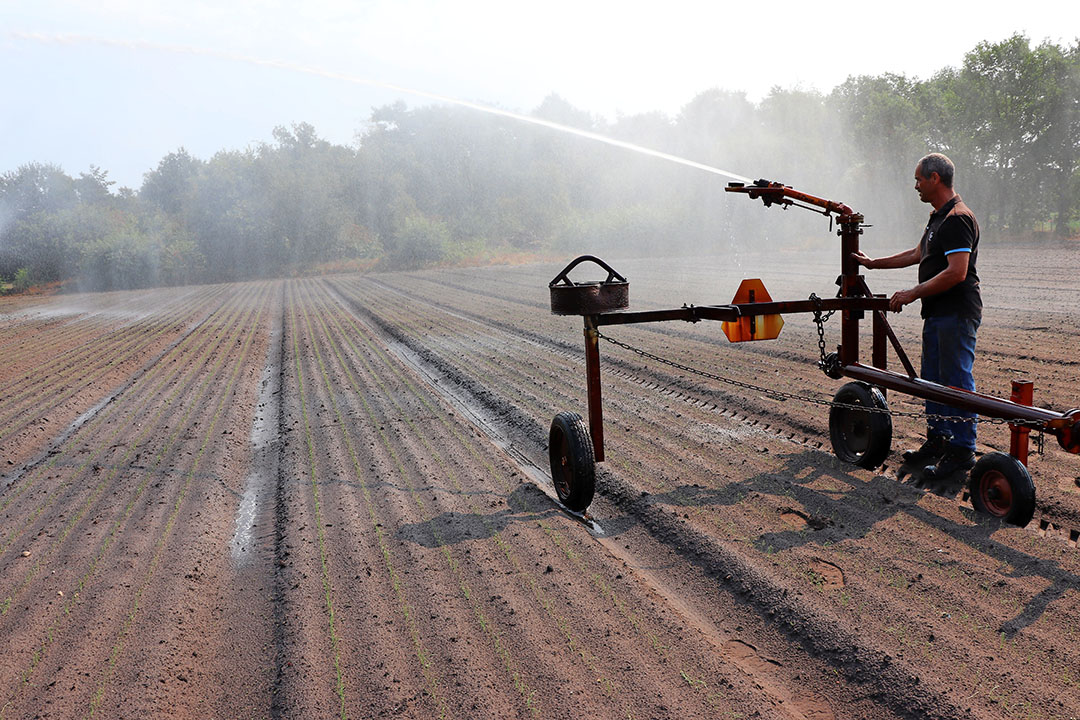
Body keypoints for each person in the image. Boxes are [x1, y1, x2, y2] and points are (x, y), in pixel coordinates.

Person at [851, 152, 981, 479]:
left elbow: (957, 272)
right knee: (932, 380)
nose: (915, 186)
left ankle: (963, 450)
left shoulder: (958, 219)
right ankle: (938, 440)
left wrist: (911, 293)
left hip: (956, 312)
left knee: (955, 380)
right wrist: (873, 263)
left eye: (919, 179)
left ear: (934, 178)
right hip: (938, 313)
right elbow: (917, 254)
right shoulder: (938, 218)